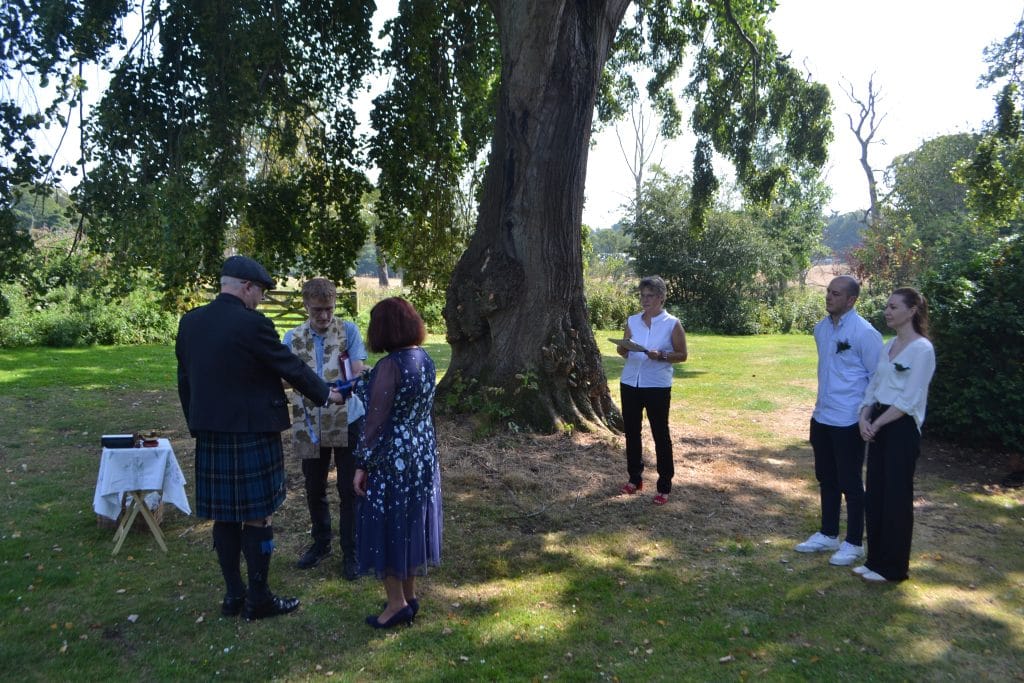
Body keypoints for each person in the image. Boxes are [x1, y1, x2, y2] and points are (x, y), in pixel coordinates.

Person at [176, 255, 345, 620]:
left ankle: (233, 596)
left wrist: (197, 424)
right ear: (246, 287)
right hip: (252, 433)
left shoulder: (190, 323)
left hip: (211, 433)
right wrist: (326, 394)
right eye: (261, 293)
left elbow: (185, 381)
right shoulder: (253, 325)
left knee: (223, 518)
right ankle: (259, 599)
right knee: (257, 517)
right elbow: (289, 365)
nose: (262, 300)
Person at [352, 297, 442, 629]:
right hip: (422, 453)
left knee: (387, 523)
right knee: (410, 522)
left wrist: (361, 464)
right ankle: (409, 596)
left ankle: (395, 604)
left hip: (393, 458)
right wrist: (365, 381)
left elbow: (375, 421)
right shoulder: (425, 358)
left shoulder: (390, 365)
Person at [283, 278, 367, 580]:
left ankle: (352, 551)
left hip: (347, 418)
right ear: (305, 305)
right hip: (309, 421)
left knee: (349, 488)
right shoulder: (292, 338)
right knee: (314, 487)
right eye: (318, 310)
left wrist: (320, 384)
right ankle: (321, 543)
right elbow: (281, 376)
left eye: (329, 309)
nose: (324, 316)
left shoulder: (349, 331)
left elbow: (357, 371)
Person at [795, 276, 883, 566]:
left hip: (849, 420)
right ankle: (828, 533)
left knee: (851, 482)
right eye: (828, 292)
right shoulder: (821, 328)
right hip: (822, 416)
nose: (829, 297)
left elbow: (877, 379)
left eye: (836, 294)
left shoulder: (864, 333)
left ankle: (854, 542)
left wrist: (865, 416)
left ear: (851, 300)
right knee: (826, 478)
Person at [855, 287, 936, 583]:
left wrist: (877, 424)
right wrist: (864, 416)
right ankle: (874, 560)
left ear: (912, 310)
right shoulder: (887, 345)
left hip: (900, 428)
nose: (887, 311)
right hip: (878, 421)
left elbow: (910, 398)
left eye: (893, 307)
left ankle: (893, 568)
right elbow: (874, 386)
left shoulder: (922, 349)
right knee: (875, 493)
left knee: (896, 498)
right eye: (887, 306)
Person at [616, 275, 688, 506]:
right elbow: (624, 348)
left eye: (650, 296)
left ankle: (664, 485)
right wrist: (623, 349)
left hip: (656, 385)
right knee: (632, 432)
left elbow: (682, 355)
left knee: (660, 434)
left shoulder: (672, 323)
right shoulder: (633, 321)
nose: (645, 300)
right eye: (642, 296)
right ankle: (634, 478)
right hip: (630, 382)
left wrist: (663, 355)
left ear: (661, 297)